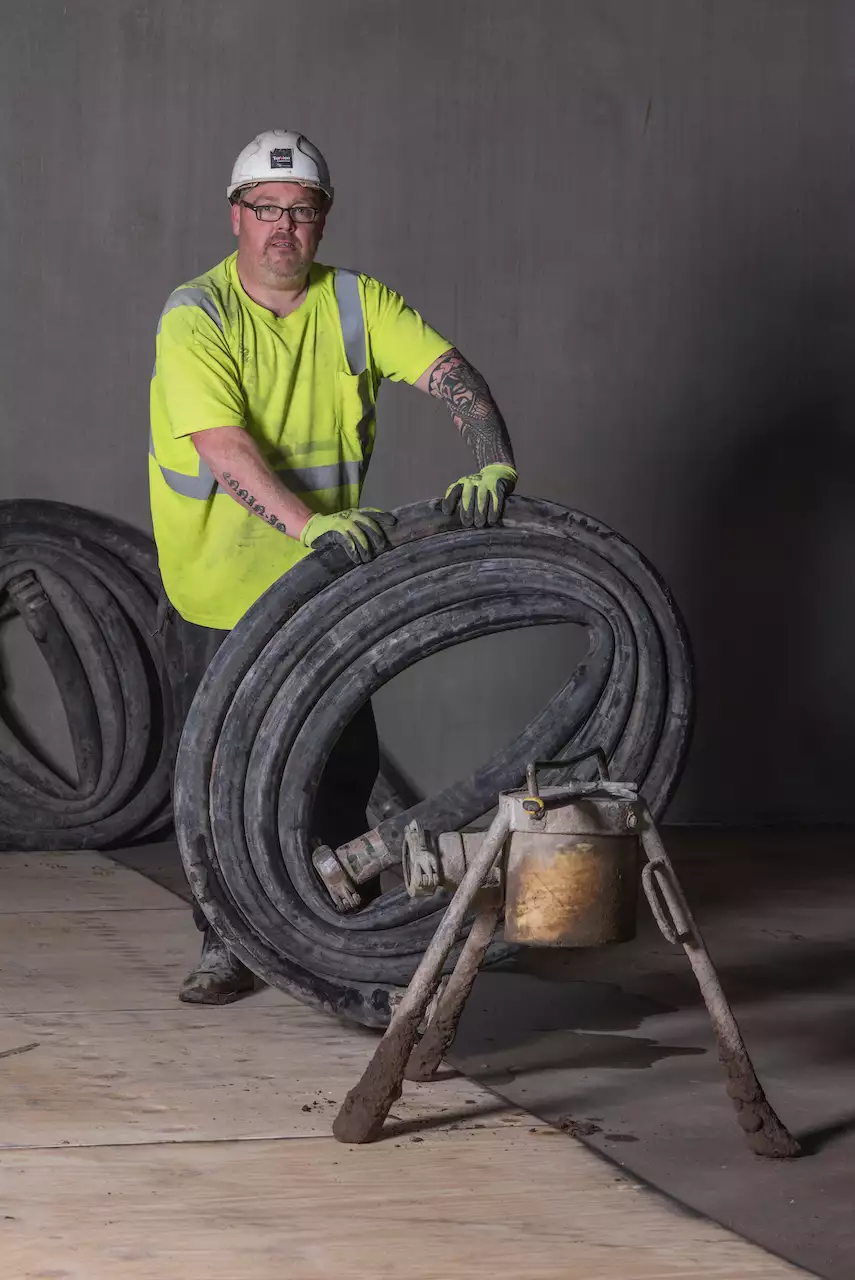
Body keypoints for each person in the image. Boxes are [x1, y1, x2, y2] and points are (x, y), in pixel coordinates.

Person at [149, 129, 517, 1004]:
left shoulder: (355, 302)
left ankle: (331, 924)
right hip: (220, 588)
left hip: (324, 582)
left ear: (322, 219)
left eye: (300, 211)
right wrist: (306, 524)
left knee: (340, 765)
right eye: (265, 210)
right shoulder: (195, 314)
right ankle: (223, 943)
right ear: (235, 216)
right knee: (217, 779)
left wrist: (492, 455)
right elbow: (223, 448)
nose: (283, 227)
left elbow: (448, 373)